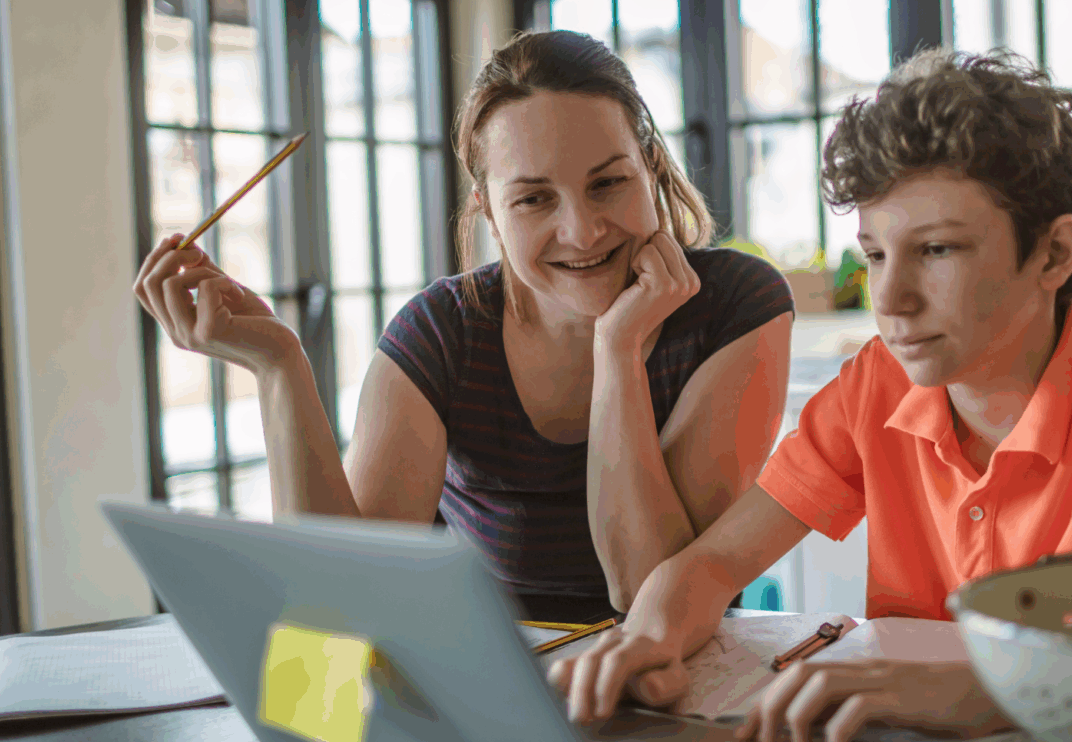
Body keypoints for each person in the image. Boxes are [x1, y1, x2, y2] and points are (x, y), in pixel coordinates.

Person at [550, 47, 1072, 742]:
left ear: (1055, 252)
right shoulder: (876, 386)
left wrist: (1000, 693)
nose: (890, 298)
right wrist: (648, 640)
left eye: (935, 249)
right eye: (875, 254)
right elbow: (717, 561)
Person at [132, 31, 794, 617]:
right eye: (533, 198)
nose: (582, 230)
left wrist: (617, 350)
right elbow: (340, 601)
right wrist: (278, 365)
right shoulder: (442, 334)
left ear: (650, 167)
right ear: (487, 209)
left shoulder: (737, 305)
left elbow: (644, 589)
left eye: (607, 183)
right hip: (495, 688)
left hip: (686, 683)